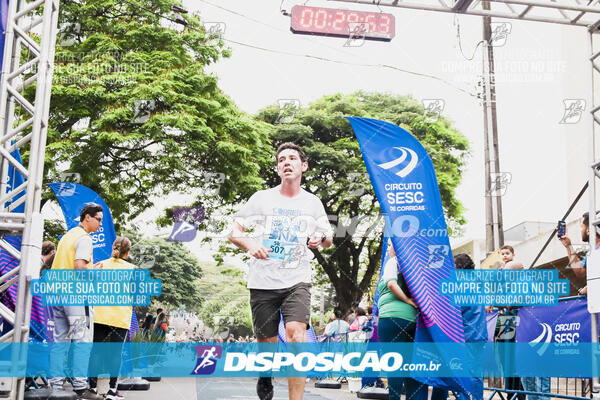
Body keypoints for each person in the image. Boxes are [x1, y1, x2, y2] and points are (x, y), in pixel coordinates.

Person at [228, 142, 333, 400]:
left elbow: (328, 238)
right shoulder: (262, 198)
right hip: (263, 281)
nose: (287, 162)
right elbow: (234, 232)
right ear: (277, 168)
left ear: (303, 166)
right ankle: (266, 377)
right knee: (267, 344)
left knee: (297, 337)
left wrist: (320, 236)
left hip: (297, 281)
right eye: (282, 159)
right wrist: (250, 243)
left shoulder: (312, 202)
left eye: (293, 158)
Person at [49, 203, 104, 400]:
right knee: (82, 340)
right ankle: (81, 387)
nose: (100, 224)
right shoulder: (84, 238)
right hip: (75, 295)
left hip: (57, 293)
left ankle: (55, 384)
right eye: (98, 219)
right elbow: (80, 266)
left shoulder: (67, 236)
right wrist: (95, 272)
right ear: (87, 218)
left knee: (60, 341)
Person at [431, 254, 488, 400]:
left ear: (458, 266)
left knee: (464, 373)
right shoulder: (476, 282)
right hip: (478, 334)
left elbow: (456, 309)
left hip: (466, 334)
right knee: (474, 372)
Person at [377, 240, 426, 400]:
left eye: (390, 245)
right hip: (412, 320)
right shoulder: (416, 267)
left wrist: (406, 300)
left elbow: (391, 284)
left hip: (391, 319)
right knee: (410, 365)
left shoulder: (394, 262)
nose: (388, 249)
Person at [88, 237, 134, 400]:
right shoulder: (133, 269)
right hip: (119, 318)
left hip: (99, 315)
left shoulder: (99, 265)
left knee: (95, 352)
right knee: (116, 354)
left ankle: (91, 388)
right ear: (127, 252)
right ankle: (112, 390)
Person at [559, 211, 600, 295]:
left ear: (588, 230)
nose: (581, 231)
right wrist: (568, 246)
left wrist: (590, 288)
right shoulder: (592, 251)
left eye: (582, 227)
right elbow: (580, 272)